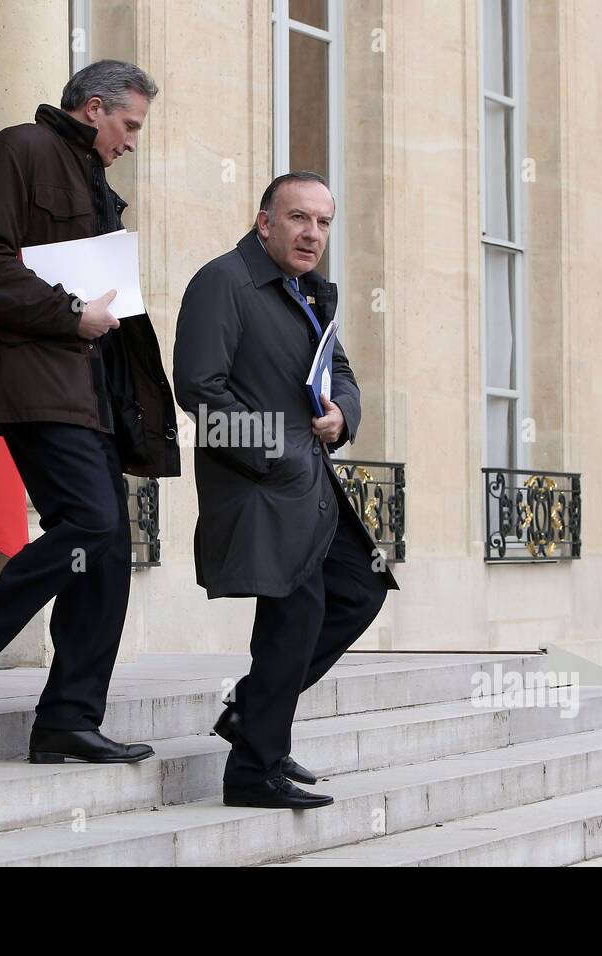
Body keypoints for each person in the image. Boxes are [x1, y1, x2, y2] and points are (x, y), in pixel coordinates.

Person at [0, 60, 181, 763]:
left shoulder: (98, 184)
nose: (132, 142)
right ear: (95, 108)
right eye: (129, 125)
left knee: (107, 554)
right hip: (37, 382)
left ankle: (68, 718)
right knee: (90, 526)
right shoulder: (19, 151)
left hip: (90, 393)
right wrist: (68, 314)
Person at [173, 172, 398, 808]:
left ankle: (250, 713)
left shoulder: (304, 292)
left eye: (324, 223)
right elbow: (200, 392)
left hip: (309, 485)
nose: (313, 234)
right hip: (262, 486)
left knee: (359, 591)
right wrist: (282, 453)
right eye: (299, 218)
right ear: (265, 222)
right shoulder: (223, 282)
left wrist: (341, 417)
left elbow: (342, 372)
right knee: (292, 616)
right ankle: (252, 772)